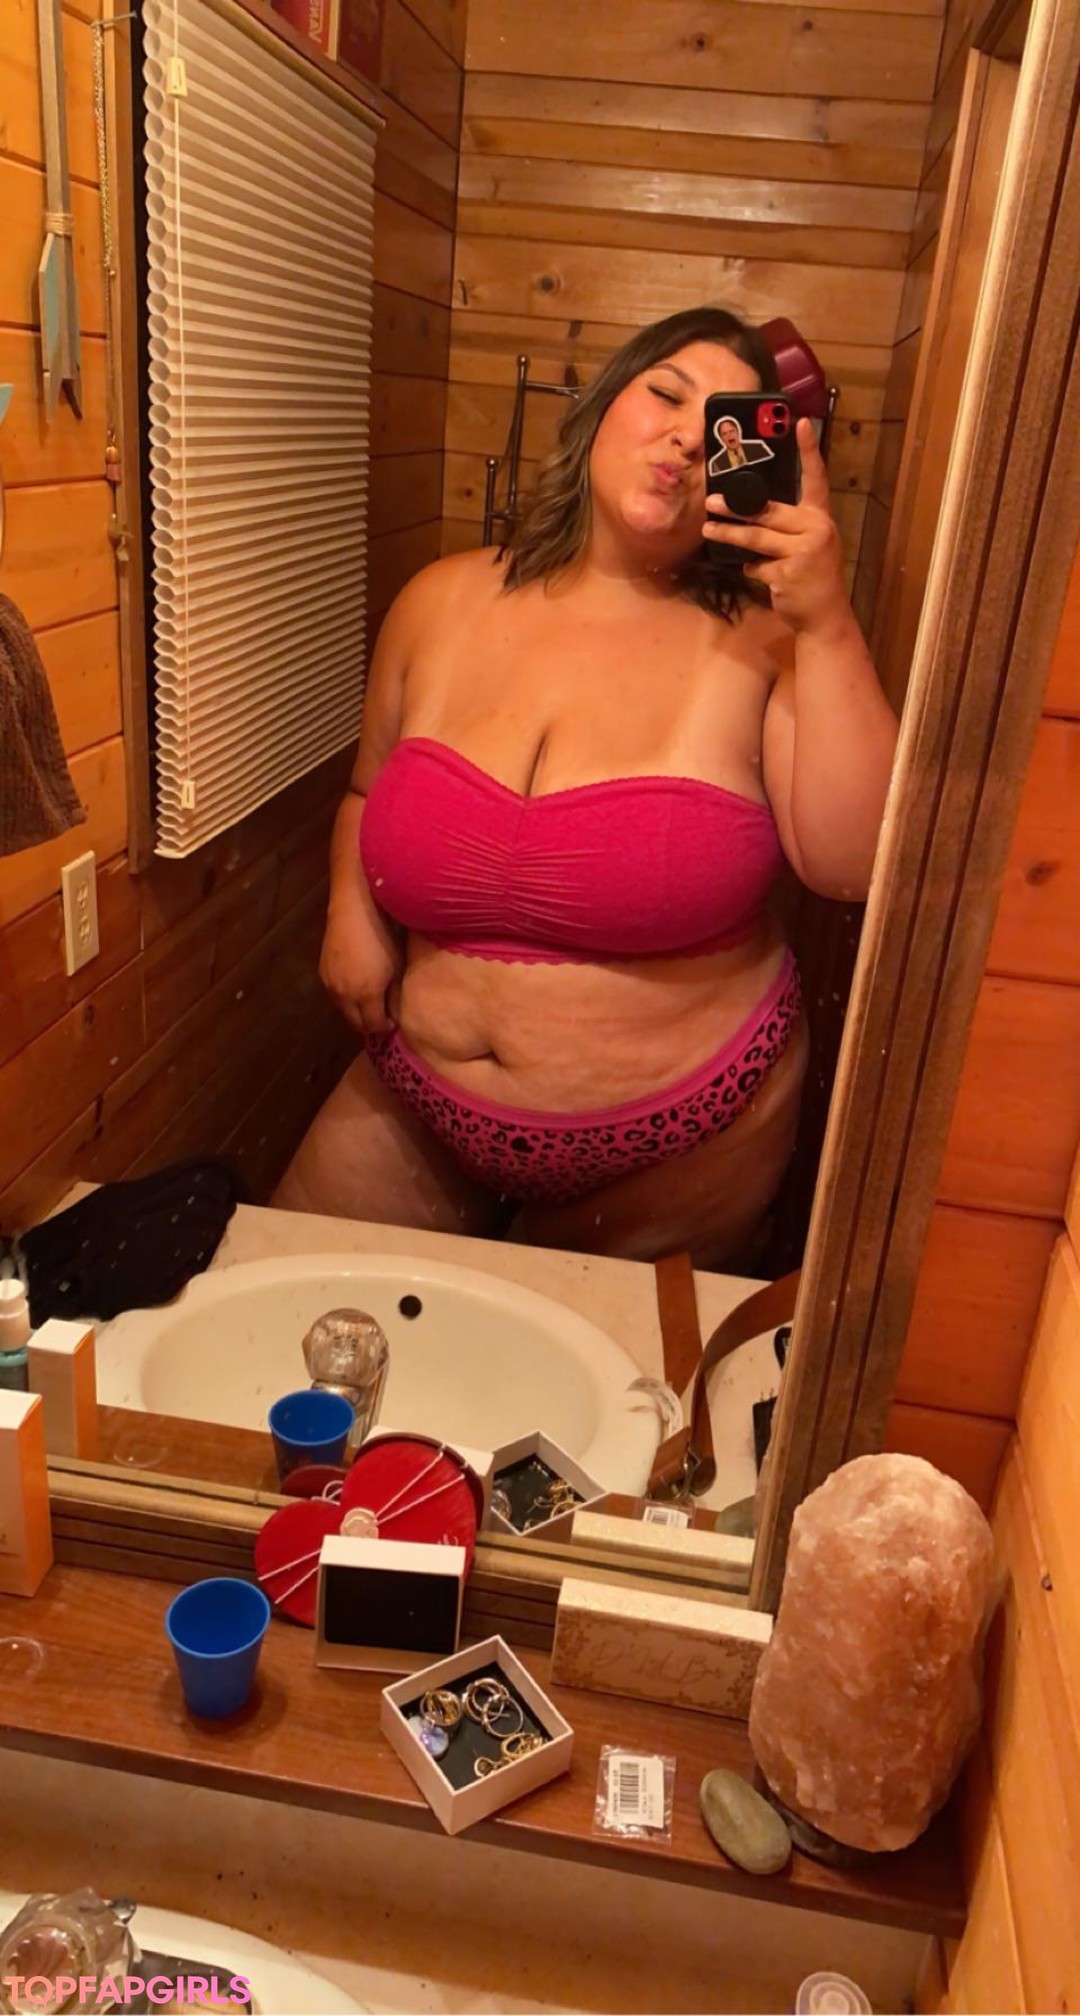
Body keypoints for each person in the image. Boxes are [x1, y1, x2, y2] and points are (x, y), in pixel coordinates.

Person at [272, 306, 898, 1266]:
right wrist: (349, 915)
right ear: (602, 406)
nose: (687, 438)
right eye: (666, 394)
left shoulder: (773, 640)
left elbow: (851, 865)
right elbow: (366, 789)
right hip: (415, 1091)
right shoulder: (438, 599)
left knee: (612, 1367)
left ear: (756, 467)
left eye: (725, 427)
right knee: (286, 1305)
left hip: (685, 1141)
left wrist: (826, 618)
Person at [707, 414, 774, 477]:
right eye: (724, 434)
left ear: (738, 432)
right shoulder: (717, 464)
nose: (729, 435)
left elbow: (772, 470)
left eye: (731, 431)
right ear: (721, 439)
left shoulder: (757, 448)